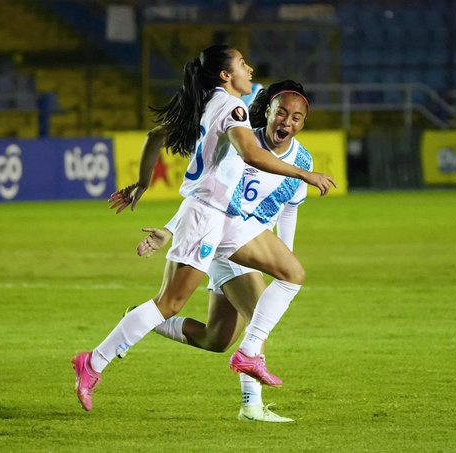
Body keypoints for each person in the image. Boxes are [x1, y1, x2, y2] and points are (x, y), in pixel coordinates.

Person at [71, 44, 337, 413]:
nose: (249, 68)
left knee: (291, 272)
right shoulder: (234, 108)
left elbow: (153, 137)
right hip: (206, 215)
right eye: (243, 64)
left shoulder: (206, 101)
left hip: (224, 217)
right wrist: (306, 174)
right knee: (169, 303)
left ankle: (247, 355)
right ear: (226, 75)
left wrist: (143, 184)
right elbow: (251, 155)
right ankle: (93, 362)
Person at [132, 80, 314, 423]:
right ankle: (251, 407)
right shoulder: (242, 140)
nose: (287, 122)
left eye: (297, 117)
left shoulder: (302, 159)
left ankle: (143, 319)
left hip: (254, 246)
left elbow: (290, 209)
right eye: (282, 113)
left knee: (217, 338)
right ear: (269, 112)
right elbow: (208, 195)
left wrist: (281, 258)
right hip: (226, 240)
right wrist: (171, 230)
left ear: (303, 122)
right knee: (259, 315)